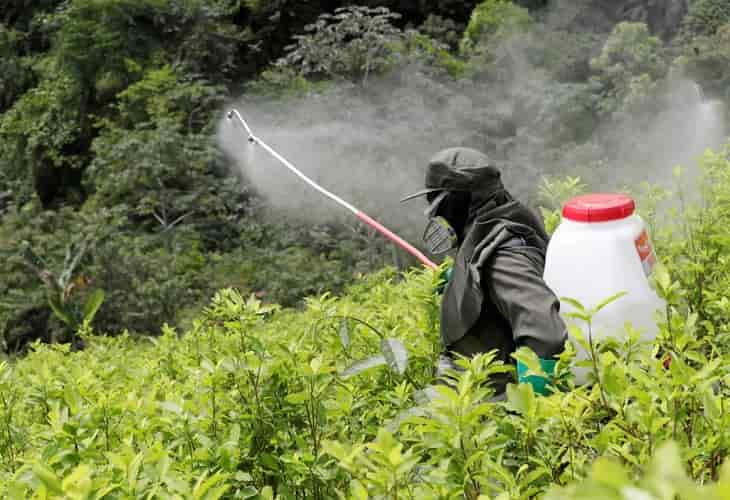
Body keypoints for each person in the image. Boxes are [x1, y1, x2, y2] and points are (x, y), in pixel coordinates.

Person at [401, 147, 567, 396]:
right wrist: (460, 280)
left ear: (460, 200)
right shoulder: (498, 224)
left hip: (490, 407)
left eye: (437, 203)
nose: (435, 214)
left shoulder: (502, 256)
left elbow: (546, 335)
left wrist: (529, 414)